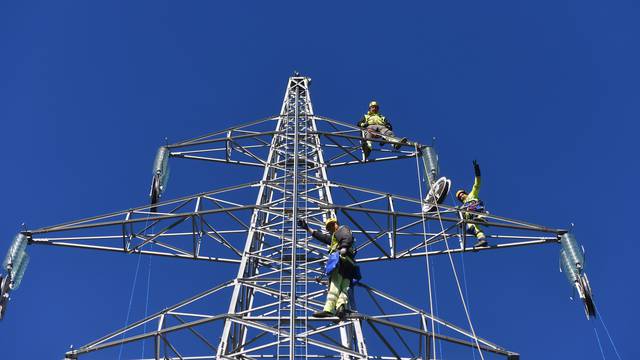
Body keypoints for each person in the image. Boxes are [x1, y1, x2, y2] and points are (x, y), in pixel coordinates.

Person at [297, 217, 356, 319]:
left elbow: (347, 237)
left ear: (336, 224)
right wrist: (308, 229)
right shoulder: (335, 237)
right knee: (344, 287)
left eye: (332, 225)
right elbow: (322, 237)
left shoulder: (342, 230)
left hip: (340, 262)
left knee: (335, 286)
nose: (331, 228)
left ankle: (328, 309)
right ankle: (340, 308)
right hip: (349, 264)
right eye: (329, 227)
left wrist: (344, 247)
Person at [455, 160, 489, 248]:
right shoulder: (462, 207)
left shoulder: (472, 194)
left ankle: (482, 217)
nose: (461, 196)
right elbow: (461, 220)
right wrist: (458, 215)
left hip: (476, 208)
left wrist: (476, 168)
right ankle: (482, 240)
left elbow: (477, 183)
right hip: (471, 217)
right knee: (472, 227)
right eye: (460, 196)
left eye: (462, 194)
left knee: (474, 213)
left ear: (465, 193)